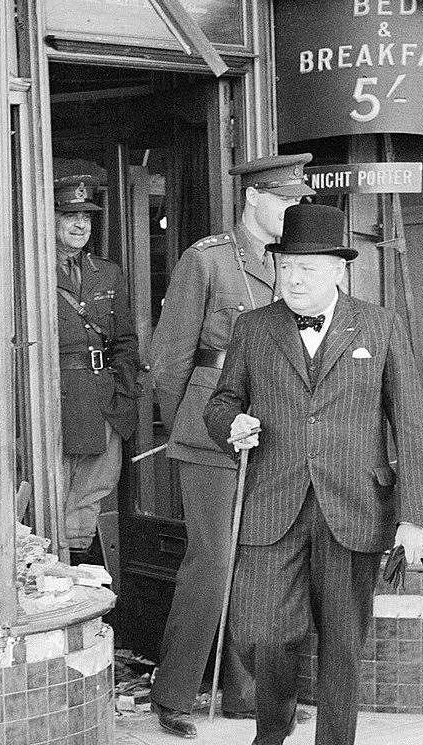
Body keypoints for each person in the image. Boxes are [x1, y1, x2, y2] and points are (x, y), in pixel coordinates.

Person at [204, 203, 423, 745]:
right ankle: (273, 729)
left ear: (339, 270)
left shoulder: (378, 326)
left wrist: (414, 518)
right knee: (262, 632)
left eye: (309, 266)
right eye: (287, 265)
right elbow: (221, 402)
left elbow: (411, 421)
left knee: (342, 643)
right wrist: (230, 423)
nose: (295, 276)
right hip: (271, 502)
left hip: (354, 507)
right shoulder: (253, 328)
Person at [149, 153, 315, 737]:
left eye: (299, 200)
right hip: (209, 432)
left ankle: (245, 693)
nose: (295, 210)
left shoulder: (296, 264)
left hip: (273, 433)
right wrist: (186, 427)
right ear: (254, 200)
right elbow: (168, 358)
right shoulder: (210, 259)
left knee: (260, 564)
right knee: (214, 564)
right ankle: (173, 694)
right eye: (285, 200)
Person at [53, 157, 140, 564]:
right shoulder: (29, 270)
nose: (80, 224)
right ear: (50, 217)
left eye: (85, 216)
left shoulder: (106, 273)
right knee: (51, 493)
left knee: (92, 494)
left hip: (102, 397)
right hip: (56, 399)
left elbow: (125, 340)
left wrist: (123, 393)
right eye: (69, 215)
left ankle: (77, 563)